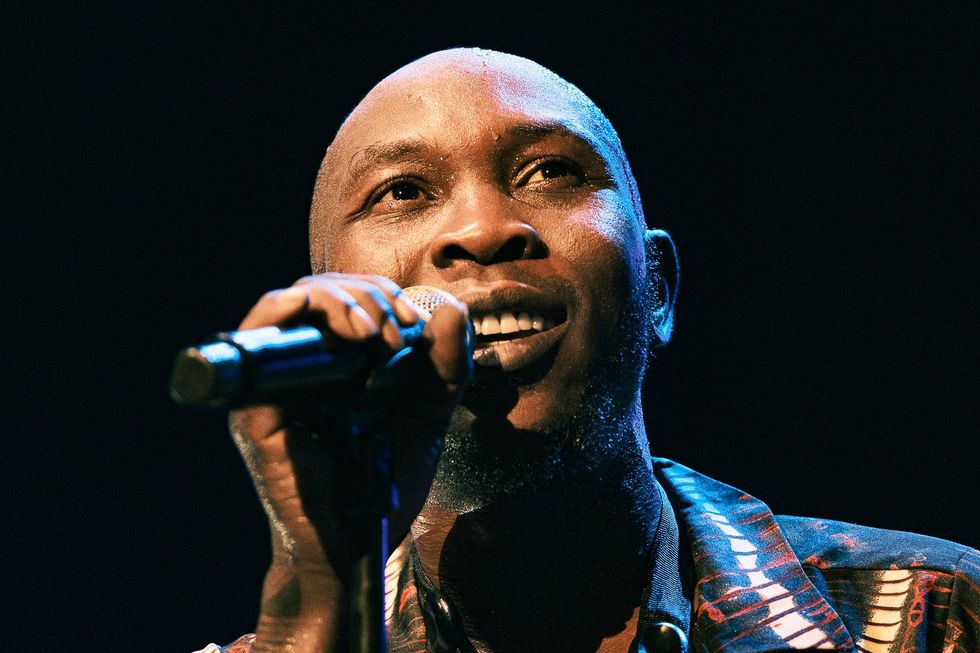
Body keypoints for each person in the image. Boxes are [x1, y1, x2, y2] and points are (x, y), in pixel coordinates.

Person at [196, 49, 979, 653]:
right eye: (403, 191)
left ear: (658, 290)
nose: (481, 228)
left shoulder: (940, 619)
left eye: (549, 171)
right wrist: (329, 585)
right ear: (329, 313)